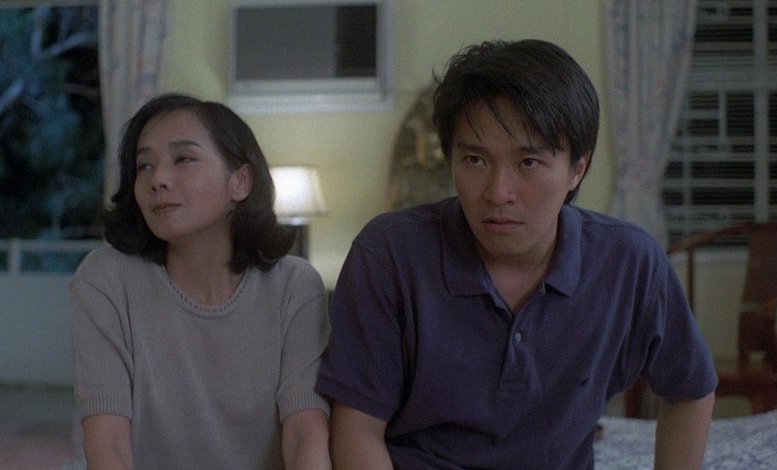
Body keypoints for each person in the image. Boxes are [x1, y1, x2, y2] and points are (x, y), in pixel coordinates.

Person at [315, 39, 717, 469]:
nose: (498, 192)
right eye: (475, 160)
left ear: (577, 169)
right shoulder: (390, 254)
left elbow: (691, 390)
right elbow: (357, 428)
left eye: (528, 163)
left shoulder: (628, 262)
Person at [71, 93, 331, 469]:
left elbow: (305, 433)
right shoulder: (105, 279)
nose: (158, 180)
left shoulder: (295, 286)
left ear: (240, 182)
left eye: (184, 159)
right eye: (144, 166)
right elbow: (107, 445)